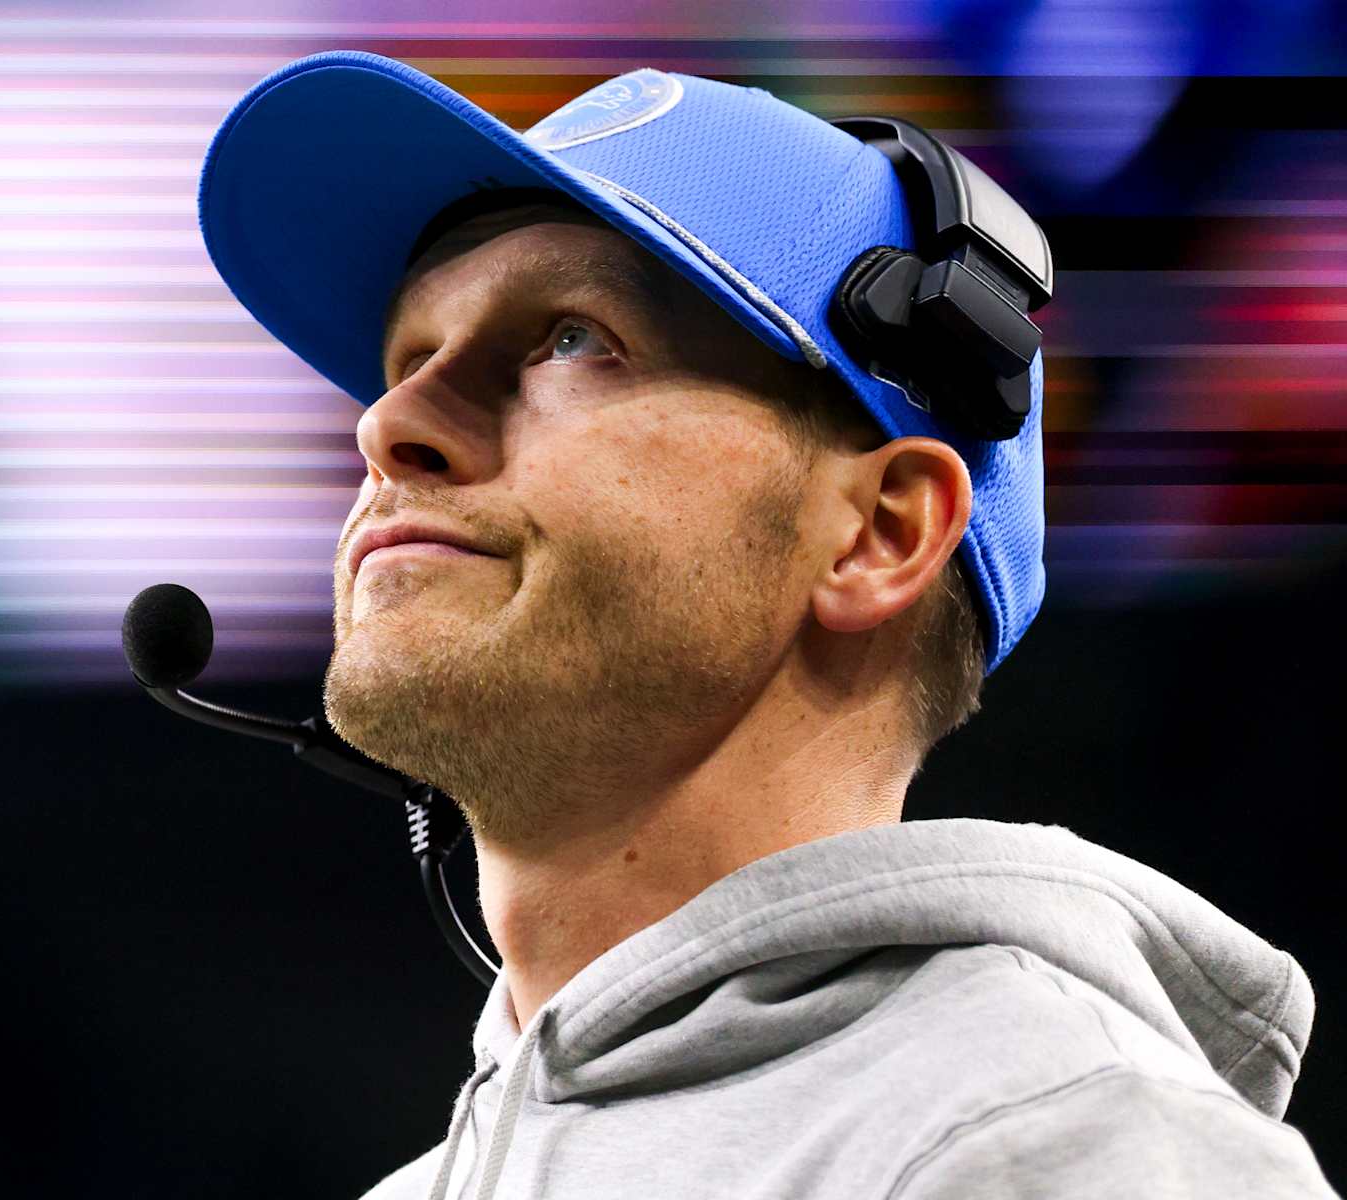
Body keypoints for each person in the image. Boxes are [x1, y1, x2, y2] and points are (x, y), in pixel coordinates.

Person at [197, 52, 1340, 1199]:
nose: (390, 425)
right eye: (407, 361)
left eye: (573, 339)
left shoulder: (1063, 1147)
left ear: (881, 532)